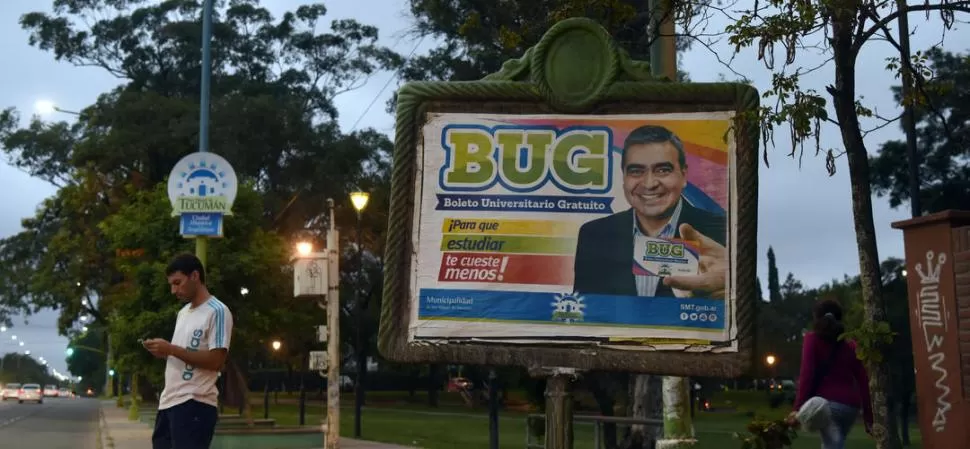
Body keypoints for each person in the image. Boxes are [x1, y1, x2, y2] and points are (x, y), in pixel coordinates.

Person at [573, 124, 727, 298]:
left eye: (662, 170)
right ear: (624, 177)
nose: (649, 184)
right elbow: (584, 311)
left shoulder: (721, 231)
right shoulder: (593, 235)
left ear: (684, 176)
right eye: (636, 171)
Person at [143, 253, 234, 449]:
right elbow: (183, 353)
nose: (173, 290)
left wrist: (172, 349)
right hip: (168, 402)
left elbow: (216, 361)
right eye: (171, 285)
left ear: (194, 276)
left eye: (177, 282)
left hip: (195, 403)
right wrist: (164, 352)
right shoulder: (183, 313)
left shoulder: (217, 311)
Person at [789, 299, 873, 449]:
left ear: (816, 318)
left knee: (832, 445)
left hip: (825, 407)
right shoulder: (851, 344)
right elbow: (863, 380)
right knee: (834, 444)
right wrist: (869, 417)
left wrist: (797, 408)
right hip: (851, 408)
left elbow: (807, 375)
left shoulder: (811, 340)